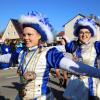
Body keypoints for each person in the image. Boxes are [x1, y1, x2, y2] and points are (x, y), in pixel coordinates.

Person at [0, 12, 100, 100]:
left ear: (40, 35)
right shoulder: (21, 53)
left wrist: (97, 73)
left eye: (29, 34)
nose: (25, 38)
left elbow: (69, 65)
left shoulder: (48, 53)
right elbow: (8, 58)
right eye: (24, 34)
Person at [63, 17, 100, 100]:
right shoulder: (74, 45)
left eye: (87, 32)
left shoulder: (96, 45)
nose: (84, 35)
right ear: (77, 33)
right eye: (81, 32)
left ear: (91, 34)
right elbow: (68, 48)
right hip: (76, 81)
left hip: (91, 82)